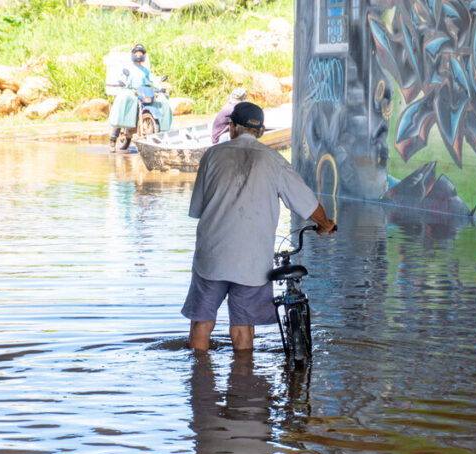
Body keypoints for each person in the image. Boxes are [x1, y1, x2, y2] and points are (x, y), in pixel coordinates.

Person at [182, 101, 337, 352]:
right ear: (262, 131)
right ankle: (244, 385)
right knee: (243, 330)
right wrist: (326, 224)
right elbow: (308, 204)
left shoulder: (212, 155)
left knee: (202, 324)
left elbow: (197, 209)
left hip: (211, 258)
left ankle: (200, 383)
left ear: (232, 128)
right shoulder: (274, 161)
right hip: (252, 262)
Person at [109, 43, 154, 152]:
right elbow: (122, 77)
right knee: (123, 114)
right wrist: (123, 82)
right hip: (130, 93)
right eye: (137, 53)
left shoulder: (145, 70)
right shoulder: (128, 68)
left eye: (141, 53)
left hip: (141, 94)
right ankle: (113, 139)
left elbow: (152, 79)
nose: (139, 55)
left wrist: (160, 86)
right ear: (133, 55)